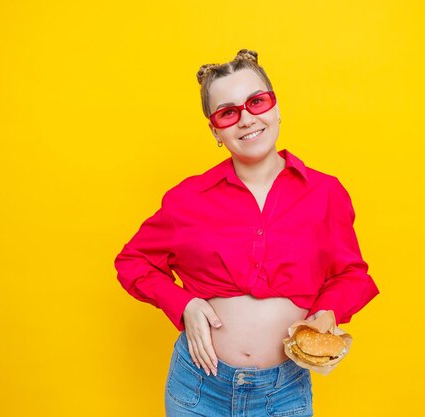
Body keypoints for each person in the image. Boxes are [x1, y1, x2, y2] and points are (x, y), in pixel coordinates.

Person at [114, 49, 380, 417]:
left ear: (276, 108)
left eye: (256, 102)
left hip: (283, 391)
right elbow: (133, 262)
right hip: (198, 388)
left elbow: (352, 274)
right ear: (215, 130)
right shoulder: (187, 198)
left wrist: (325, 312)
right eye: (228, 112)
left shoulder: (325, 193)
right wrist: (184, 304)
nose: (246, 120)